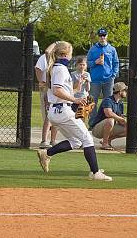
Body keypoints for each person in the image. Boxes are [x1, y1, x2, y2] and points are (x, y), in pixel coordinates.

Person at [36, 41, 112, 181]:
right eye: (70, 52)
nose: (72, 55)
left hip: (58, 110)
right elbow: (57, 91)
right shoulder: (60, 69)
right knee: (87, 139)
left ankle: (47, 153)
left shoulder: (57, 67)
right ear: (65, 54)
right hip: (62, 110)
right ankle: (95, 173)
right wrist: (75, 100)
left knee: (76, 141)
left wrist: (78, 88)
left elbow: (63, 90)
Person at [86, 28, 119, 122]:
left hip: (108, 80)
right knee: (92, 101)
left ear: (107, 36)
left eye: (104, 35)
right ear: (98, 37)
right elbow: (87, 63)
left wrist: (113, 75)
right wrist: (95, 62)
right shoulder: (92, 49)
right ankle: (92, 123)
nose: (102, 37)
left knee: (109, 102)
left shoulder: (112, 49)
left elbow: (116, 63)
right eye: (100, 36)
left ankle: (107, 122)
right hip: (95, 80)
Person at [89, 81, 127, 150]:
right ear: (120, 91)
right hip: (97, 129)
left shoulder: (120, 104)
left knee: (130, 129)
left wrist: (126, 123)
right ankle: (105, 144)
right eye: (125, 90)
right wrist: (121, 119)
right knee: (110, 120)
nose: (126, 92)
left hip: (110, 126)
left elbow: (120, 119)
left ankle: (107, 140)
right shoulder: (108, 100)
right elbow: (108, 113)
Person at [35, 43, 58, 149]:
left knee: (56, 116)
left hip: (57, 91)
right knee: (49, 115)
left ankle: (53, 140)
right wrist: (42, 81)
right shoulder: (46, 58)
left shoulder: (59, 60)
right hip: (48, 90)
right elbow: (38, 68)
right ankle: (44, 140)